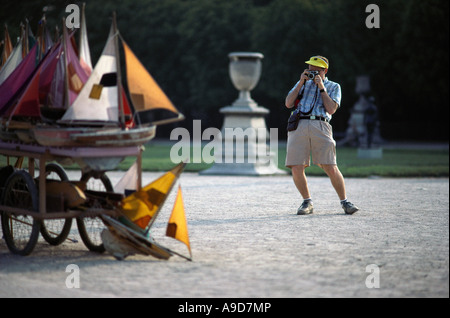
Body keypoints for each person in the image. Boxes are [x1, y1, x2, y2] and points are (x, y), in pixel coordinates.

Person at [285, 55, 359, 215]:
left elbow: (331, 109)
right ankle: (307, 202)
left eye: (316, 71)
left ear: (325, 70)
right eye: (310, 70)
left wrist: (321, 88)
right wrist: (300, 82)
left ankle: (345, 202)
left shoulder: (334, 86)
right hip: (299, 124)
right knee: (296, 166)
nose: (312, 73)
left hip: (321, 124)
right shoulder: (302, 84)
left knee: (330, 166)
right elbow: (288, 103)